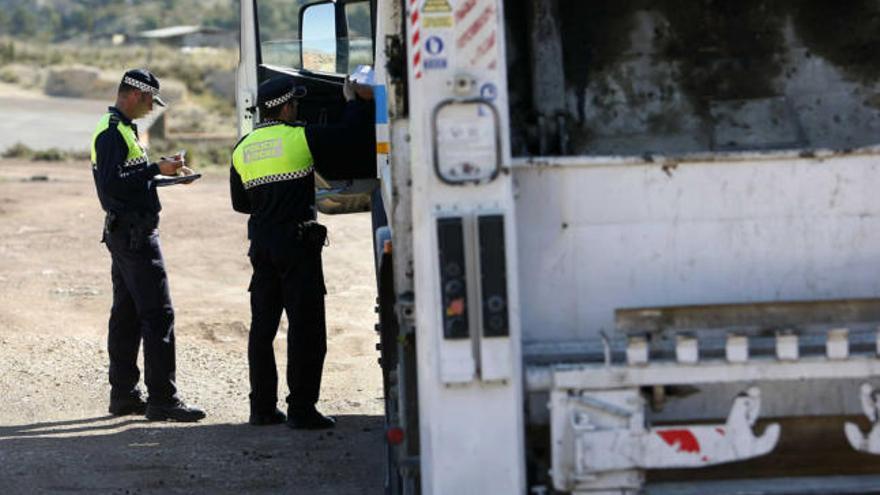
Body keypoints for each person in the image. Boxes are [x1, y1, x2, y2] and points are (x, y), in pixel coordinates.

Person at [230, 75, 374, 429]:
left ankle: (261, 408)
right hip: (296, 246)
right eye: (294, 104)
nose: (297, 109)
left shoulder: (242, 147)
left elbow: (240, 203)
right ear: (285, 107)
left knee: (262, 330)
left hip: (261, 247)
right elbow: (351, 139)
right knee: (306, 329)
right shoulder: (300, 137)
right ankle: (301, 409)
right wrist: (354, 100)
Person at [91, 68, 205, 422]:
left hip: (127, 232)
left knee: (126, 315)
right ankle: (163, 400)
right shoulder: (112, 133)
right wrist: (156, 168)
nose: (151, 108)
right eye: (150, 102)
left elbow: (131, 180)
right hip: (134, 235)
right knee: (158, 315)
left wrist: (163, 175)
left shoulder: (125, 129)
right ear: (137, 95)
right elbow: (113, 187)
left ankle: (124, 396)